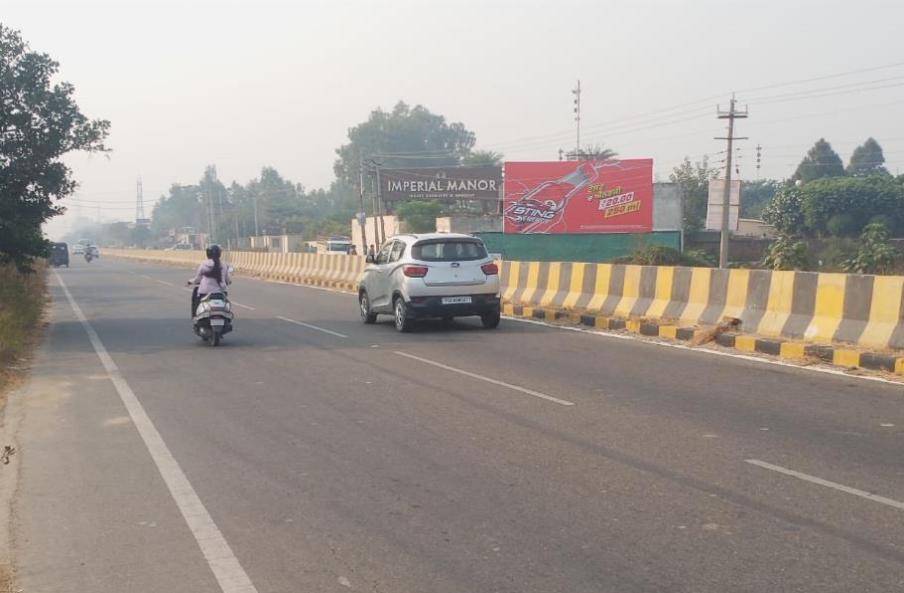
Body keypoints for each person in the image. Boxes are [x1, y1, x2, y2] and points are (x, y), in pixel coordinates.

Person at [187, 244, 231, 318]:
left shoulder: (204, 264)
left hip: (205, 291)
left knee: (196, 299)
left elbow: (198, 279)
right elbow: (228, 280)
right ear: (219, 254)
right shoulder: (224, 265)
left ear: (208, 253)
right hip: (221, 292)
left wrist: (190, 281)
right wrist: (228, 282)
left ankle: (195, 316)